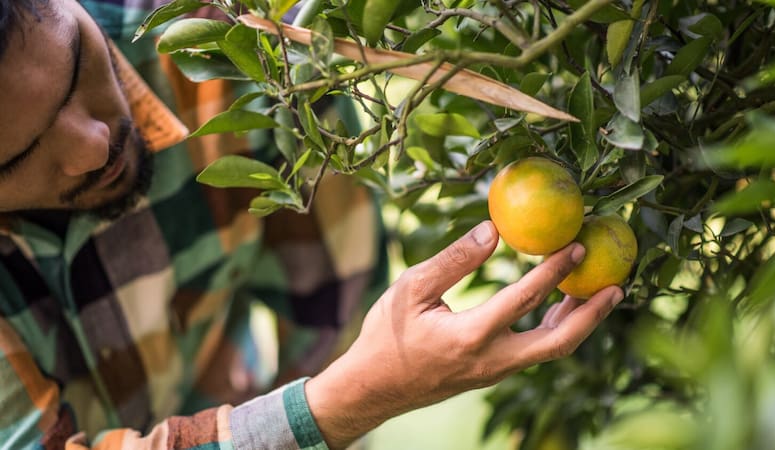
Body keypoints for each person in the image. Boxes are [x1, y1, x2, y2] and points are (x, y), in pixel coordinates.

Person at [0, 1, 625, 449]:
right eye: (19, 155)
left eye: (79, 61)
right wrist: (335, 407)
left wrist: (299, 404)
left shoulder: (236, 52)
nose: (93, 145)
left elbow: (333, 306)